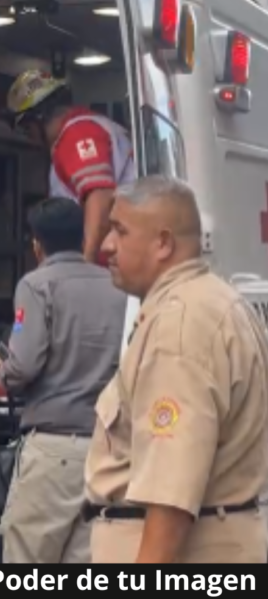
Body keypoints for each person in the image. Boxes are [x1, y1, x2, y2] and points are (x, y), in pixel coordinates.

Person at [83, 175, 268, 564]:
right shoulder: (218, 301)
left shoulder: (179, 328)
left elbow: (171, 494)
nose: (106, 246)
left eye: (119, 231)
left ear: (163, 243)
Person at [0, 197, 127, 564]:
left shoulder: (36, 285)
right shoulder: (116, 285)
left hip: (53, 451)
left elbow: (23, 366)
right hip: (106, 448)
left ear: (37, 243)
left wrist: (0, 368)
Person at [6, 69, 134, 263]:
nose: (29, 137)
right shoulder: (92, 125)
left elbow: (100, 198)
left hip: (111, 261)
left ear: (37, 119)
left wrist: (84, 265)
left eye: (25, 128)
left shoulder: (76, 134)